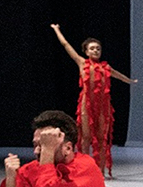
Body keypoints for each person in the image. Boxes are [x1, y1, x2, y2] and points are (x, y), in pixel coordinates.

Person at [50, 23, 137, 178]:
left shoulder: (106, 67)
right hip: (86, 106)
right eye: (92, 48)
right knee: (85, 139)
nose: (95, 50)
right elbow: (65, 45)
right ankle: (84, 170)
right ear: (86, 51)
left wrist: (130, 81)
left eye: (98, 48)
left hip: (103, 107)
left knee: (102, 139)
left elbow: (118, 75)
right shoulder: (82, 63)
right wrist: (57, 30)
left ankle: (100, 171)